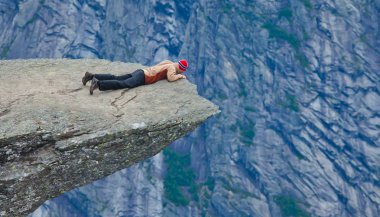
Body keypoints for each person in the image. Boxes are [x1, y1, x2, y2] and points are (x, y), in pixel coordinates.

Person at [82, 59, 189, 95]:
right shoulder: (172, 68)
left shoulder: (169, 62)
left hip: (141, 71)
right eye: (182, 70)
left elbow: (160, 69)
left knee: (118, 78)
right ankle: (98, 84)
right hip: (143, 77)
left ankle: (92, 76)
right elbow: (170, 78)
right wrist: (179, 76)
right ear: (182, 68)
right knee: (124, 84)